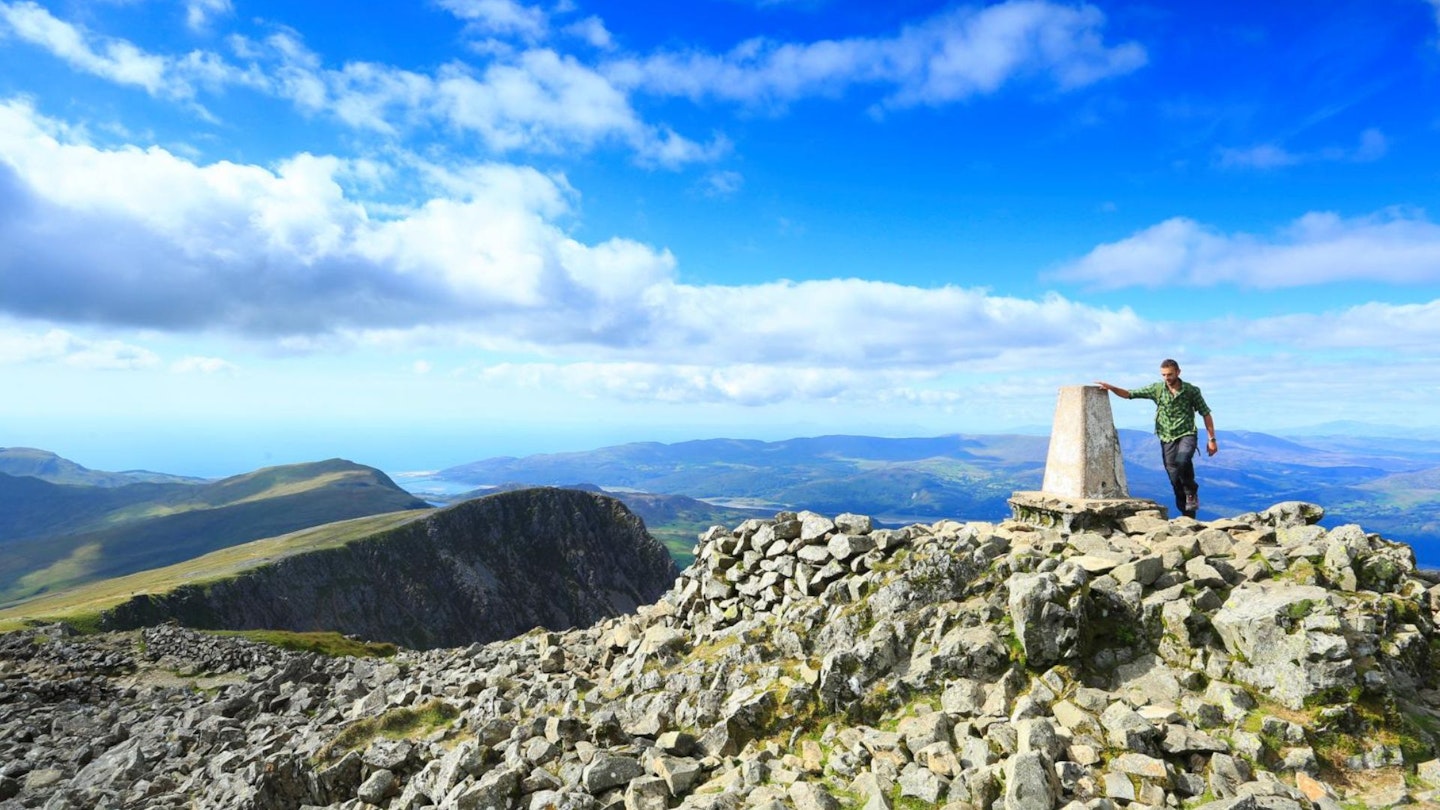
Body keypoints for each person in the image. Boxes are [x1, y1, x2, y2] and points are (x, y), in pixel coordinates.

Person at [1095, 359, 1217, 519]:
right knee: (1174, 479)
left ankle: (1191, 490)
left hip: (1187, 433)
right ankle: (1188, 516)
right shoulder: (1157, 389)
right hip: (1166, 436)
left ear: (1178, 372)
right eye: (1164, 375)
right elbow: (1129, 394)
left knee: (1183, 461)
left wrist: (1212, 439)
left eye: (1170, 374)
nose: (1167, 378)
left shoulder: (1191, 391)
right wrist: (1111, 388)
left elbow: (1205, 413)